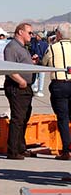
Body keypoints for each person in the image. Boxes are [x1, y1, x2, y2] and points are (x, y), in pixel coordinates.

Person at [3, 23, 39, 160]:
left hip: (25, 88)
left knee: (24, 118)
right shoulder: (12, 47)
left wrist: (32, 63)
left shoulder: (23, 48)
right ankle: (12, 151)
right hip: (17, 87)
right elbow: (9, 68)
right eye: (29, 32)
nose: (32, 35)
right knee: (17, 119)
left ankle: (20, 147)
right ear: (20, 32)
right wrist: (21, 81)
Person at [42, 23, 71, 160]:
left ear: (58, 34)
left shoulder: (53, 48)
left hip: (59, 85)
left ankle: (66, 150)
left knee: (63, 119)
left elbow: (44, 63)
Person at [30, 32, 48, 97]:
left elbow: (46, 53)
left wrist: (40, 58)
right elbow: (31, 50)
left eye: (38, 36)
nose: (36, 37)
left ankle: (40, 90)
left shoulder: (44, 44)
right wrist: (32, 56)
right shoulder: (33, 42)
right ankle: (34, 87)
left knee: (41, 76)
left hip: (41, 62)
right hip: (34, 62)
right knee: (34, 75)